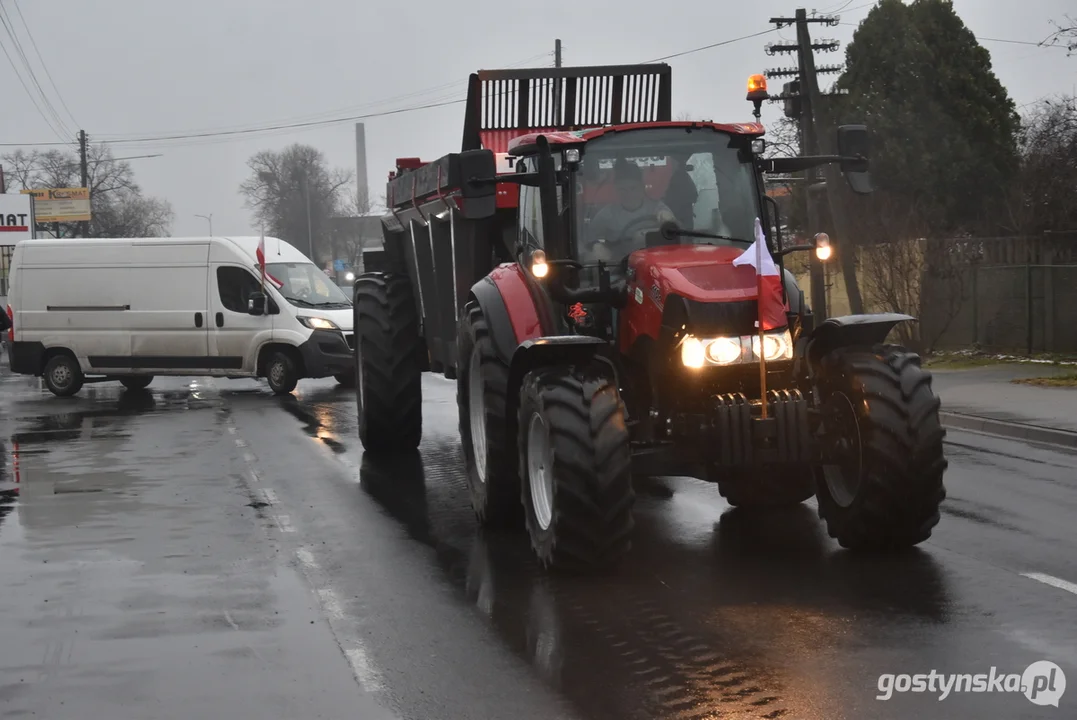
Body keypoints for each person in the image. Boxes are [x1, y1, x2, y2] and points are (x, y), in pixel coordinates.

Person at [585, 159, 676, 263]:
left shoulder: (657, 208)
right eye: (622, 190)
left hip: (653, 260)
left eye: (633, 188)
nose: (628, 194)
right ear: (616, 190)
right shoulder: (606, 214)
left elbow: (673, 228)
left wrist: (668, 220)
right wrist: (596, 245)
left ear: (642, 188)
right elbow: (589, 237)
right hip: (620, 263)